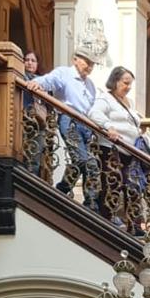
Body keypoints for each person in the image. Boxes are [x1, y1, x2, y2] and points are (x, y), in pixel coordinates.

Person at [26, 47, 99, 203]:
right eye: (87, 62)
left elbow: (93, 107)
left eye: (93, 64)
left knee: (92, 165)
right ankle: (61, 190)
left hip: (87, 126)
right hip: (70, 120)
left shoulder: (91, 85)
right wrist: (34, 82)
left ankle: (91, 204)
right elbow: (48, 80)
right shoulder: (64, 73)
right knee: (81, 160)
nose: (90, 67)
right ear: (75, 59)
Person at [89, 66, 146, 229]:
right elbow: (94, 113)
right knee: (111, 186)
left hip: (131, 152)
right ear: (115, 81)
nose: (128, 87)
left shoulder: (130, 102)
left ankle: (135, 226)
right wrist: (109, 127)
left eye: (130, 84)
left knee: (133, 187)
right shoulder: (105, 98)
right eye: (125, 83)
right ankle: (105, 223)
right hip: (112, 151)